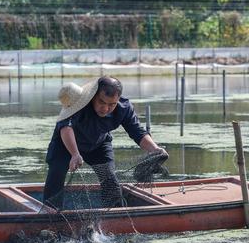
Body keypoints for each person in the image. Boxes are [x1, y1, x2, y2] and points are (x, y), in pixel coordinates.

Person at [43, 76, 167, 210]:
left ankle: (112, 217)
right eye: (102, 102)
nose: (106, 108)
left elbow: (138, 132)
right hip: (66, 145)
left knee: (110, 180)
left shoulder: (124, 108)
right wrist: (74, 154)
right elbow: (66, 128)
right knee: (56, 175)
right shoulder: (78, 102)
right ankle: (49, 216)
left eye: (111, 104)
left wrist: (155, 149)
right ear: (94, 96)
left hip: (98, 145)